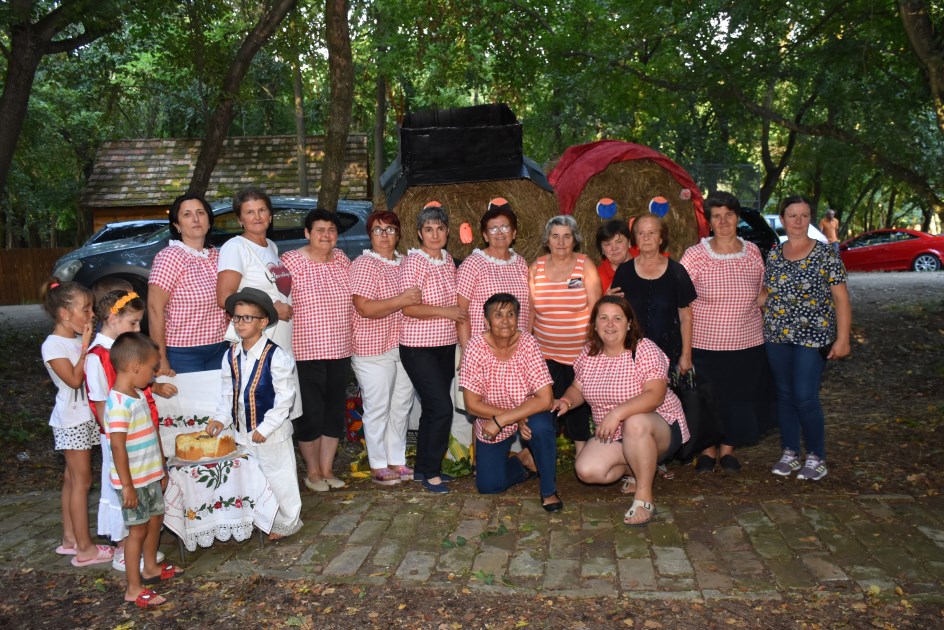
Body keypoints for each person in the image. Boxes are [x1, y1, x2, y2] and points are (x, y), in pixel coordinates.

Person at [559, 297, 689, 526]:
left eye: (617, 318)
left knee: (634, 422)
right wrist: (565, 402)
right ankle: (641, 466)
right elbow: (577, 388)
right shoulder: (589, 353)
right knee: (588, 470)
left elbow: (655, 395)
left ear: (629, 323)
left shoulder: (644, 349)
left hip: (659, 426)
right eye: (604, 318)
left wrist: (617, 414)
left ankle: (644, 496)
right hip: (614, 433)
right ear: (595, 325)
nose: (610, 324)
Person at [680, 191, 772, 474]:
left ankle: (729, 450)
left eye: (728, 215)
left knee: (738, 398)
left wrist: (767, 300)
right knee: (709, 401)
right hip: (705, 344)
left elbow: (763, 289)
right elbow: (681, 300)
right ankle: (707, 452)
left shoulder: (753, 252)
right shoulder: (695, 255)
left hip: (748, 343)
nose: (723, 221)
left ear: (737, 218)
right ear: (709, 222)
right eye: (716, 216)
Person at [763, 195, 852, 481]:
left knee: (804, 396)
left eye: (804, 216)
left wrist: (843, 338)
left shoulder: (826, 253)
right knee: (785, 395)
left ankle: (816, 456)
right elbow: (768, 294)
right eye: (792, 215)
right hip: (777, 334)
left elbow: (841, 299)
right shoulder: (775, 254)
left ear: (810, 219)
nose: (798, 221)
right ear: (783, 218)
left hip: (813, 337)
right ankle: (790, 452)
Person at [86, 290, 174, 571]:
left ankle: (144, 555)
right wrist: (114, 434)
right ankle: (124, 549)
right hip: (119, 437)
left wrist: (155, 387)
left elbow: (137, 383)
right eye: (133, 323)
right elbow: (100, 402)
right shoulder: (97, 356)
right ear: (113, 318)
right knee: (125, 497)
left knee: (146, 495)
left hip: (139, 433)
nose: (137, 329)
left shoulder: (126, 352)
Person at [207, 288, 303, 539]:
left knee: (279, 475)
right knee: (253, 476)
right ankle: (260, 516)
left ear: (263, 322)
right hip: (243, 430)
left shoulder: (277, 356)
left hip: (271, 431)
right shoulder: (231, 354)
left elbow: (285, 397)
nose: (240, 323)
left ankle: (287, 520)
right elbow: (229, 393)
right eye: (237, 317)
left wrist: (266, 427)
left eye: (248, 318)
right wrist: (221, 418)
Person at [460, 293, 561, 511]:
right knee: (489, 486)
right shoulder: (475, 347)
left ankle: (548, 490)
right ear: (486, 321)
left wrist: (505, 419)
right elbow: (472, 404)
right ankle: (524, 460)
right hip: (492, 417)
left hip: (523, 413)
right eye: (498, 315)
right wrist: (517, 416)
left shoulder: (528, 343)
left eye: (511, 314)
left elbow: (545, 398)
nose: (505, 320)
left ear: (518, 319)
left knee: (541, 427)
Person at [105, 332, 182, 608]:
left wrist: (160, 469)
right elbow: (117, 447)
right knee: (136, 532)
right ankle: (133, 588)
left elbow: (149, 433)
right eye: (151, 370)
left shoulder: (137, 394)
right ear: (135, 366)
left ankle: (150, 568)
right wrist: (126, 486)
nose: (152, 377)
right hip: (133, 483)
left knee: (155, 521)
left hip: (149, 476)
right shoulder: (118, 404)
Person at [41, 279, 114, 567]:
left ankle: (70, 538)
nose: (91, 315)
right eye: (85, 310)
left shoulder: (73, 340)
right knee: (82, 482)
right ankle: (85, 549)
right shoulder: (54, 345)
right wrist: (86, 348)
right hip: (72, 421)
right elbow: (72, 380)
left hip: (84, 418)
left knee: (72, 480)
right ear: (64, 314)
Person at [281, 208, 353, 492]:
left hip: (340, 348)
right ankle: (312, 472)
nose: (326, 235)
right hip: (305, 351)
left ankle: (327, 469)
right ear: (307, 233)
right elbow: (278, 299)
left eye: (331, 230)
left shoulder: (343, 261)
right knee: (310, 413)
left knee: (333, 412)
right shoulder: (290, 262)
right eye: (320, 230)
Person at [399, 202, 468, 493]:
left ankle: (422, 469)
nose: (435, 234)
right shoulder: (414, 262)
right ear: (419, 233)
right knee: (441, 407)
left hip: (445, 346)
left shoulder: (449, 260)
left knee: (431, 408)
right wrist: (447, 312)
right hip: (418, 347)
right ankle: (432, 471)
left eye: (440, 228)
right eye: (428, 229)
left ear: (448, 232)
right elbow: (409, 309)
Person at [350, 211, 421, 486]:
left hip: (402, 346)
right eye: (378, 230)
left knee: (401, 406)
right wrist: (402, 299)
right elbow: (365, 307)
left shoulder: (404, 262)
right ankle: (378, 464)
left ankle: (397, 460)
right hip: (372, 348)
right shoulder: (365, 264)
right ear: (370, 235)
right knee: (378, 407)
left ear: (399, 234)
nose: (384, 236)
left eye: (390, 230)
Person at [529, 215, 602, 456]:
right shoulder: (536, 268)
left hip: (579, 354)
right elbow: (530, 311)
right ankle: (544, 456)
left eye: (567, 236)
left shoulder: (585, 266)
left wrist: (594, 346)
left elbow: (596, 309)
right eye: (555, 236)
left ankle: (582, 458)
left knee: (577, 409)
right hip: (545, 354)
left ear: (575, 240)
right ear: (547, 241)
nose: (561, 242)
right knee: (547, 405)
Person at [148, 193, 228, 373]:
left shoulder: (218, 256)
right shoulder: (170, 257)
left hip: (220, 348)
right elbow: (154, 309)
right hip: (182, 352)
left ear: (209, 221)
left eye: (201, 212)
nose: (195, 218)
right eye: (187, 214)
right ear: (177, 225)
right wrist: (160, 358)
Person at [611, 213, 696, 374]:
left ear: (661, 238)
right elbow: (615, 313)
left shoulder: (677, 272)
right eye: (641, 233)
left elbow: (686, 317)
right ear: (635, 239)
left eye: (652, 233)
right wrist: (607, 300)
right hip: (629, 354)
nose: (646, 237)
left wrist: (686, 355)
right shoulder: (624, 272)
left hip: (668, 354)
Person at [216, 187, 294, 352]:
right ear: (240, 220)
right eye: (249, 212)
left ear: (270, 216)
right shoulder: (236, 247)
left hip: (280, 337)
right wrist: (270, 310)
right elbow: (224, 299)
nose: (257, 217)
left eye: (262, 210)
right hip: (256, 342)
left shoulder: (271, 247)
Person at [456, 198, 531, 348]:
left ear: (514, 233)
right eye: (493, 229)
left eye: (505, 227)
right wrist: (467, 351)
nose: (500, 233)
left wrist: (525, 343)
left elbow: (528, 308)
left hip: (516, 347)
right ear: (485, 235)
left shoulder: (521, 263)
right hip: (483, 348)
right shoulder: (473, 263)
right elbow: (461, 313)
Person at [595, 219, 633, 294]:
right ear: (602, 250)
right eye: (608, 244)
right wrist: (605, 300)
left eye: (619, 242)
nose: (614, 248)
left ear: (629, 242)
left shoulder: (645, 257)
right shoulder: (596, 278)